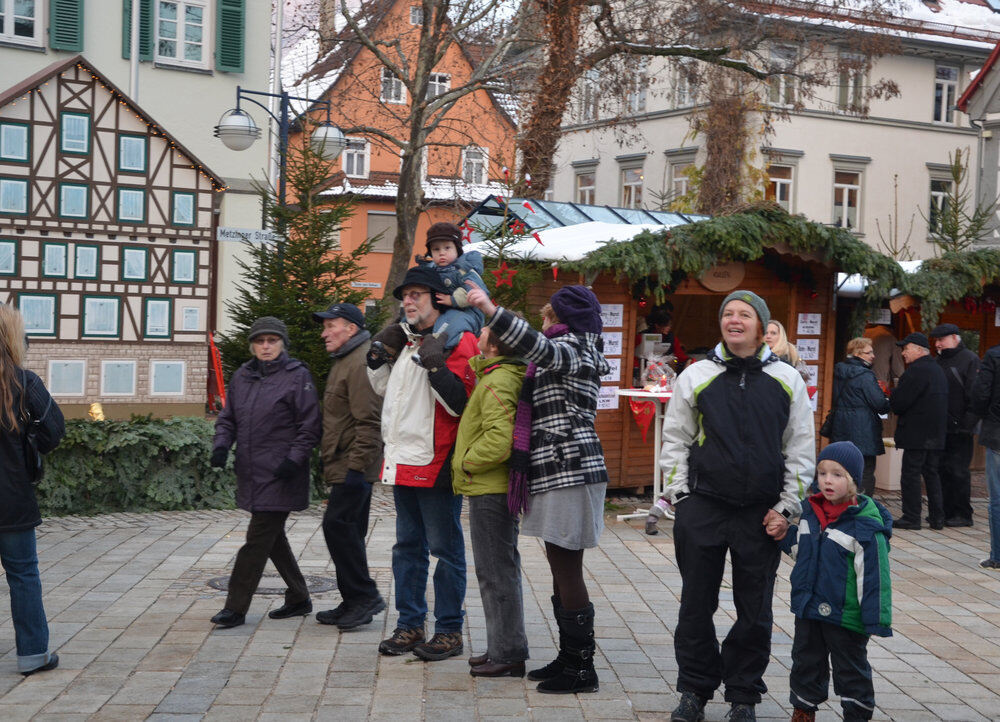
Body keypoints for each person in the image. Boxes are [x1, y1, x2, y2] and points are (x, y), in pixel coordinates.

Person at [659, 290, 814, 722]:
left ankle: (743, 695)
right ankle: (693, 691)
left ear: (762, 326)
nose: (734, 320)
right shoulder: (696, 374)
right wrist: (680, 496)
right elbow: (676, 439)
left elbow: (800, 447)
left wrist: (787, 509)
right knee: (695, 605)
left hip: (761, 513)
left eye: (745, 314)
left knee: (755, 609)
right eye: (728, 313)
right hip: (704, 506)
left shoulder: (788, 379)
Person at [466, 284, 610, 695]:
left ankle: (582, 669)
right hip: (557, 471)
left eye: (548, 319)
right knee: (558, 565)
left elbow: (537, 348)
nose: (544, 327)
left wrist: (491, 310)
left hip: (572, 470)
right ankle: (569, 658)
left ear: (563, 320)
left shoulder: (574, 347)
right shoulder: (571, 346)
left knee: (567, 567)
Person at [367, 266, 478, 661]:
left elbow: (462, 404)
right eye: (405, 296)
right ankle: (410, 625)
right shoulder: (409, 340)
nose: (408, 301)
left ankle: (449, 631)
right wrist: (378, 357)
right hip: (402, 460)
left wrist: (436, 366)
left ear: (437, 299)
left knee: (445, 550)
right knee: (407, 548)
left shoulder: (457, 341)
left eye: (416, 294)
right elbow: (385, 391)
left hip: (436, 462)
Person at [209, 316, 322, 628]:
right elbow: (228, 417)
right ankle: (299, 596)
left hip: (282, 473)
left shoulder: (297, 376)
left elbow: (309, 425)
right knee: (271, 538)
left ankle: (235, 607)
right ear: (252, 345)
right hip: (251, 471)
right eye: (260, 341)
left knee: (256, 541)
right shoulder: (243, 375)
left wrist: (294, 460)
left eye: (272, 340)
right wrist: (221, 445)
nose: (266, 346)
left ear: (282, 343)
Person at [781, 442, 892, 722]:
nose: (827, 480)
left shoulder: (864, 526)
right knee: (806, 662)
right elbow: (803, 552)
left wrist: (875, 618)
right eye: (822, 473)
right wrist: (784, 534)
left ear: (853, 481)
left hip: (846, 616)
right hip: (809, 607)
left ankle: (856, 713)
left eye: (837, 474)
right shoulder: (810, 515)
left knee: (850, 668)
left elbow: (874, 577)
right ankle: (803, 711)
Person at [452, 326, 528, 678]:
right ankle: (501, 647)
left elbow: (500, 440)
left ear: (494, 346)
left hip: (489, 488)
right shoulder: (496, 375)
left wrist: (466, 460)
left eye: (483, 331)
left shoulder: (497, 381)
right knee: (495, 570)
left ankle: (507, 653)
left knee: (495, 572)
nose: (477, 334)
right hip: (489, 486)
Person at [312, 302, 386, 630]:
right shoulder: (346, 359)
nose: (324, 333)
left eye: (331, 326)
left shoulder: (359, 362)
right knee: (349, 531)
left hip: (353, 465)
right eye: (324, 327)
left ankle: (365, 596)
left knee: (337, 527)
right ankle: (352, 600)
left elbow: (369, 422)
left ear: (351, 329)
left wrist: (356, 470)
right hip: (345, 462)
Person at [0, 304, 65, 675]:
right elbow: (53, 432)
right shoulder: (25, 383)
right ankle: (31, 655)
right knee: (23, 574)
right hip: (11, 496)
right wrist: (28, 444)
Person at [889, 332, 947, 531]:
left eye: (905, 349)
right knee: (932, 473)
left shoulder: (915, 372)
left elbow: (899, 403)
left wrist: (893, 393)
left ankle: (912, 517)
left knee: (911, 474)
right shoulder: (937, 370)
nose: (903, 353)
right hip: (936, 433)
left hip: (916, 434)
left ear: (917, 349)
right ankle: (937, 517)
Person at [929, 323, 981, 527]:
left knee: (958, 471)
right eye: (935, 340)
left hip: (961, 428)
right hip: (940, 426)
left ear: (954, 338)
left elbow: (975, 395)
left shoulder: (969, 359)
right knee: (941, 469)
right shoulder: (938, 361)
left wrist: (967, 424)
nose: (937, 344)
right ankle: (945, 511)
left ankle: (962, 513)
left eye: (941, 340)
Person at [828, 337, 890, 496]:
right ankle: (862, 509)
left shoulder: (838, 371)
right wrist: (888, 400)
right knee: (866, 471)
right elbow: (879, 404)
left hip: (841, 428)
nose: (873, 355)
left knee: (843, 469)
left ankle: (841, 505)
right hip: (863, 430)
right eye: (869, 352)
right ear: (857, 353)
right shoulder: (865, 375)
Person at [419, 221, 489, 349]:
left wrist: (452, 299)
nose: (441, 253)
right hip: (442, 311)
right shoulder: (431, 271)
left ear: (457, 249)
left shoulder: (464, 269)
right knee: (411, 317)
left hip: (468, 313)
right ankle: (389, 344)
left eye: (447, 248)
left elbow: (477, 291)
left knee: (451, 323)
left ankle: (436, 349)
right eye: (436, 249)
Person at [972, 340, 1000, 569]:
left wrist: (983, 416)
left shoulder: (993, 355)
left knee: (997, 500)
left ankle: (998, 555)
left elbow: (981, 394)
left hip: (997, 432)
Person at [633, 305, 691, 376]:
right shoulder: (641, 337)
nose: (668, 328)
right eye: (666, 325)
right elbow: (632, 355)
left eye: (670, 326)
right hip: (642, 370)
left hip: (663, 371)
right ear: (657, 325)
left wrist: (688, 360)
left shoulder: (672, 338)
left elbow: (679, 356)